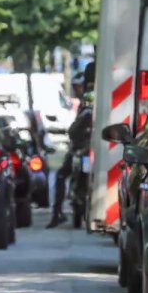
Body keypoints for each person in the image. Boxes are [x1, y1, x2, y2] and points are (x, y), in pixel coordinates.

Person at [47, 90, 93, 228]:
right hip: (85, 154)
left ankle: (57, 213)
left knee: (60, 176)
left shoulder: (86, 113)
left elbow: (73, 132)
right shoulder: (98, 112)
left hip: (82, 153)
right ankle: (57, 213)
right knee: (61, 175)